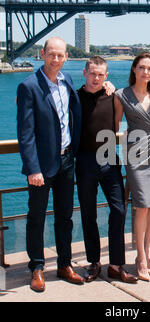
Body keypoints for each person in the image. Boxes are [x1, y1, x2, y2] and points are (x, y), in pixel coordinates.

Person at [16, 36, 84, 292]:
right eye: (51, 54)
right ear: (42, 54)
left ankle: (64, 264)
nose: (56, 59)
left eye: (60, 55)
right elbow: (26, 133)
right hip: (41, 166)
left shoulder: (67, 82)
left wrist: (108, 85)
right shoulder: (28, 86)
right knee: (36, 218)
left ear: (66, 57)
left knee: (65, 217)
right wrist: (32, 168)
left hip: (67, 160)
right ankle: (36, 267)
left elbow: (75, 113)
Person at [76, 56, 138, 284]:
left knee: (119, 210)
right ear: (84, 73)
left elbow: (118, 123)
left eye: (101, 75)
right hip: (84, 161)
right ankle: (94, 262)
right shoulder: (75, 97)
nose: (96, 78)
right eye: (92, 73)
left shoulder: (114, 97)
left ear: (106, 76)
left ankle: (116, 264)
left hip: (110, 160)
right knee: (88, 213)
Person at [114, 52, 150, 282]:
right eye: (142, 67)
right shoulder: (120, 95)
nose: (146, 72)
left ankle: (146, 255)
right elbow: (113, 126)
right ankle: (141, 258)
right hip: (135, 154)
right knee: (141, 205)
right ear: (134, 69)